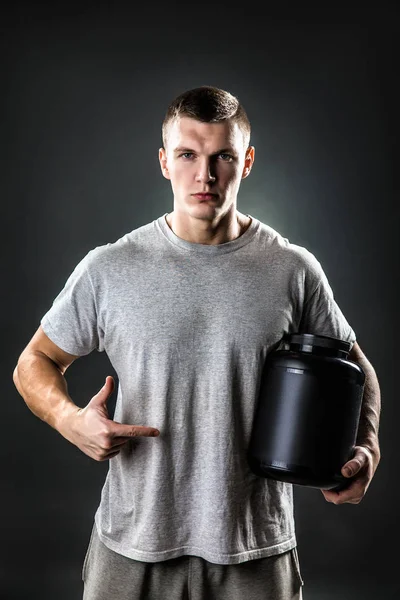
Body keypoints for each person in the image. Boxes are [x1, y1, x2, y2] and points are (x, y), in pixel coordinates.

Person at [13, 85, 381, 600]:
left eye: (222, 157)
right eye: (187, 155)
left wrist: (366, 446)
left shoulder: (292, 270)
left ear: (246, 161)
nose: (203, 175)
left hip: (254, 549)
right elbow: (35, 361)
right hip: (132, 545)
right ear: (164, 161)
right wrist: (68, 419)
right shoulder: (110, 268)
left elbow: (356, 367)